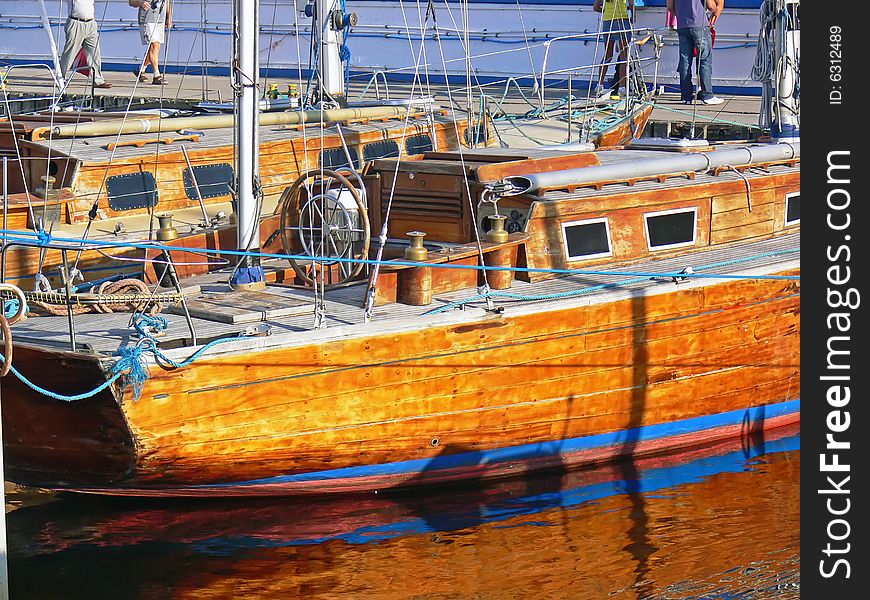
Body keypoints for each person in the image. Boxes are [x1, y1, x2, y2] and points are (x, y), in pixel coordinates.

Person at [667, 0, 724, 105]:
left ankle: (686, 96)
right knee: (704, 60)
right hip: (699, 24)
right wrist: (716, 10)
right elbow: (711, 6)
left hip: (682, 25)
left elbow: (670, 6)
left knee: (685, 61)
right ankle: (707, 95)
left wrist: (681, 15)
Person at [59, 0, 112, 89]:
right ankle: (61, 78)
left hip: (90, 23)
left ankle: (97, 80)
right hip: (76, 22)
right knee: (70, 53)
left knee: (94, 53)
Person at [592, 0, 635, 98]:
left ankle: (600, 85)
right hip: (622, 20)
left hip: (607, 22)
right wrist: (632, 16)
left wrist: (606, 11)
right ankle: (622, 88)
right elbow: (632, 4)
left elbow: (596, 7)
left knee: (608, 55)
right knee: (624, 57)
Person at [130, 0, 172, 85]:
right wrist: (141, 3)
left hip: (160, 19)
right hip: (147, 19)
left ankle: (141, 69)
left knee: (155, 48)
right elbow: (131, 2)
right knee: (154, 45)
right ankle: (156, 75)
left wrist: (169, 17)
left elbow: (167, 2)